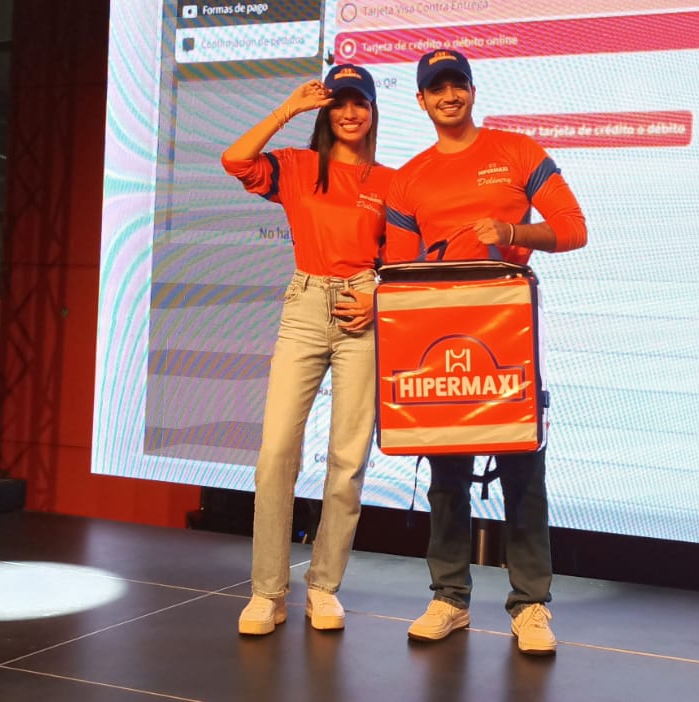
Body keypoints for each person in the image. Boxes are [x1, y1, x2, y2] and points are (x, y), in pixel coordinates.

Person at [383, 49, 588, 654]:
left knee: (523, 468)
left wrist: (513, 233)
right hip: (438, 333)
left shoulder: (517, 152)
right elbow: (399, 270)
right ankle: (449, 598)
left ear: (472, 91)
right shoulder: (408, 178)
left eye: (458, 84)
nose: (449, 95)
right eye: (436, 88)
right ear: (421, 100)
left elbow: (574, 228)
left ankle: (531, 605)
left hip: (506, 329)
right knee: (446, 472)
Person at [220, 64, 392, 635]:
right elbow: (234, 159)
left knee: (347, 460)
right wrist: (288, 109)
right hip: (305, 303)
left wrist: (378, 295)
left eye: (359, 102)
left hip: (363, 309)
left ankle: (323, 587)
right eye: (339, 102)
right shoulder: (297, 166)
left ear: (373, 111)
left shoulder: (389, 182)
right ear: (325, 111)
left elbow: (402, 257)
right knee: (275, 455)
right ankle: (267, 592)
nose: (350, 113)